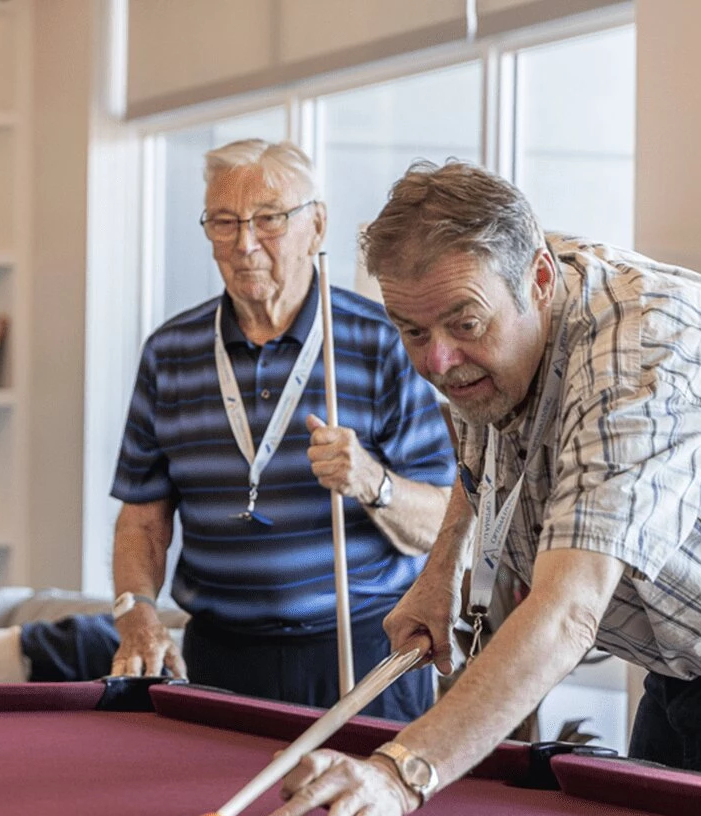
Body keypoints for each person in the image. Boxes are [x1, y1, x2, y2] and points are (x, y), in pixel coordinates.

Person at [278, 162, 701, 816]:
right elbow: (484, 437)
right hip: (687, 660)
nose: (436, 361)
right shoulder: (493, 314)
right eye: (413, 332)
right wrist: (442, 573)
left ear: (539, 281)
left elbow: (568, 614)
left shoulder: (641, 364)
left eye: (464, 325)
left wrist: (401, 774)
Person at [108, 140, 456, 723]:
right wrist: (136, 612)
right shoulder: (170, 353)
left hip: (361, 651)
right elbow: (142, 519)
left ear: (316, 226)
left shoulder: (383, 342)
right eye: (224, 222)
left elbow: (442, 524)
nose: (244, 243)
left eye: (269, 219)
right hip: (219, 657)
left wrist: (371, 480)